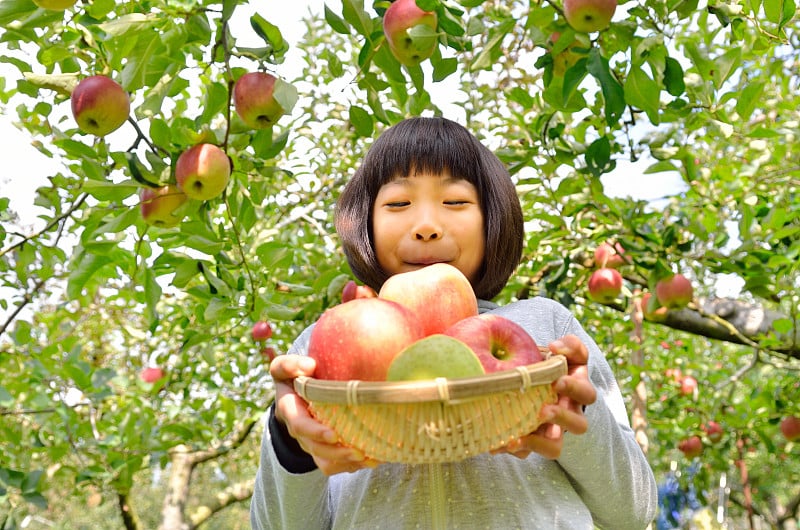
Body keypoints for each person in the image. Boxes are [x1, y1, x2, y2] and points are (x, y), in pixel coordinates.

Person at [250, 116, 658, 529]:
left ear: (493, 218)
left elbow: (633, 512)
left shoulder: (544, 327)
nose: (426, 226)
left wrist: (574, 414)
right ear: (366, 224)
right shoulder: (325, 346)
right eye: (398, 204)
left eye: (456, 202)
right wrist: (290, 441)